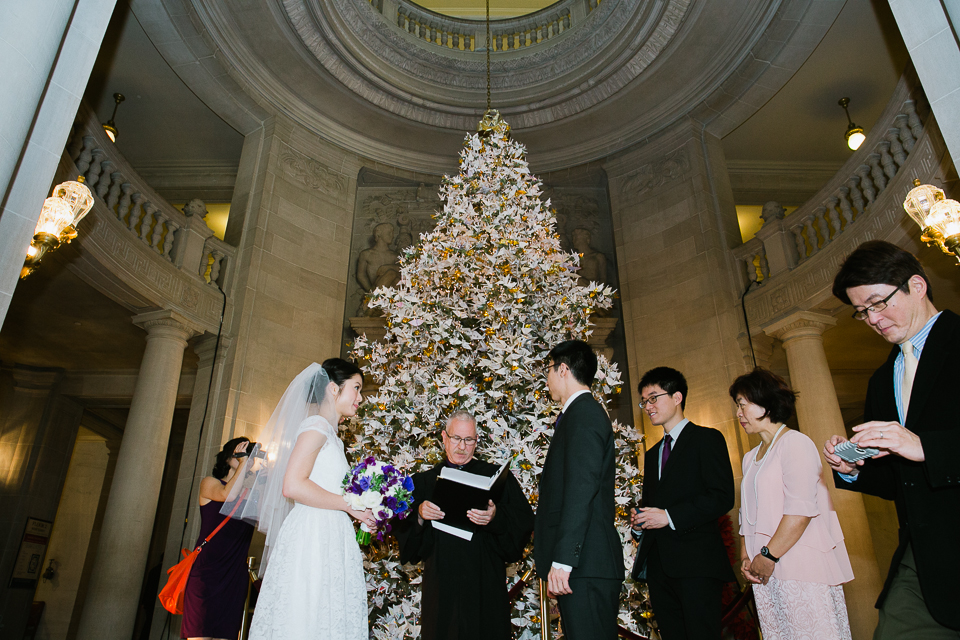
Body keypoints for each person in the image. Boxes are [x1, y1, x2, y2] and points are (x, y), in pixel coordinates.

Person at [823, 240, 960, 636]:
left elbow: (922, 454)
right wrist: (852, 469)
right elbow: (900, 480)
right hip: (924, 556)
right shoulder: (882, 380)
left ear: (917, 285)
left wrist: (923, 446)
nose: (872, 319)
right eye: (862, 312)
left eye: (878, 303)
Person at [245, 359, 377, 640]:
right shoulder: (315, 426)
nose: (360, 397)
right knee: (308, 612)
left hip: (330, 531)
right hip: (313, 534)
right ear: (333, 388)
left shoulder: (333, 436)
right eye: (356, 388)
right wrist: (349, 505)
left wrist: (361, 510)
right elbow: (292, 485)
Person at [731, 368, 853, 639]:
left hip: (799, 564)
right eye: (737, 406)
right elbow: (745, 514)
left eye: (743, 404)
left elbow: (801, 510)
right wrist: (746, 555)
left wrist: (768, 555)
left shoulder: (796, 443)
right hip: (764, 570)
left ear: (766, 402)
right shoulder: (749, 458)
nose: (738, 413)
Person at [395, 411, 534, 640]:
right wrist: (420, 514)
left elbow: (522, 523)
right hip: (442, 590)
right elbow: (408, 544)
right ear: (444, 438)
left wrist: (495, 516)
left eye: (469, 440)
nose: (462, 446)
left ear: (476, 441)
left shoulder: (496, 478)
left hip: (484, 586)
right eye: (456, 438)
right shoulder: (424, 482)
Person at [630, 366, 735, 640]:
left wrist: (669, 516)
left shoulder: (707, 439)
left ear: (677, 397)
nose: (648, 407)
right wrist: (641, 522)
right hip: (659, 567)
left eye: (653, 398)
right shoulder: (652, 455)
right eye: (644, 401)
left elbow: (721, 496)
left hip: (697, 564)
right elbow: (655, 506)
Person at [534, 340, 623, 639]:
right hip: (584, 566)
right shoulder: (578, 415)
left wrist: (563, 561)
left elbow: (581, 489)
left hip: (585, 564)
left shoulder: (583, 415)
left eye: (548, 370)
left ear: (562, 369)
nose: (546, 379)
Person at [181, 438, 255, 640]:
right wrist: (242, 463)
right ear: (227, 456)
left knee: (226, 634)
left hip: (234, 573)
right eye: (241, 451)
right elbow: (228, 495)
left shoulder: (251, 496)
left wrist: (265, 477)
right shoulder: (210, 483)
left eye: (250, 452)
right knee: (200, 634)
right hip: (207, 573)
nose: (247, 456)